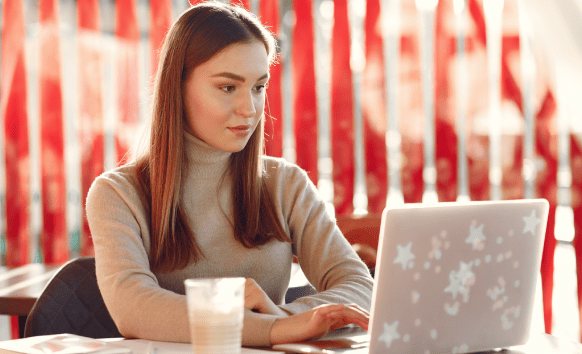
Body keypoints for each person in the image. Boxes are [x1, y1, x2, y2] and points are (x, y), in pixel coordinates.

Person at [86, 1, 373, 347]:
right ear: (177, 87)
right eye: (227, 88)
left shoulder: (286, 185)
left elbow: (359, 287)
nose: (249, 109)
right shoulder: (118, 194)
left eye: (258, 87)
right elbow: (134, 307)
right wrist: (273, 330)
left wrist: (283, 317)